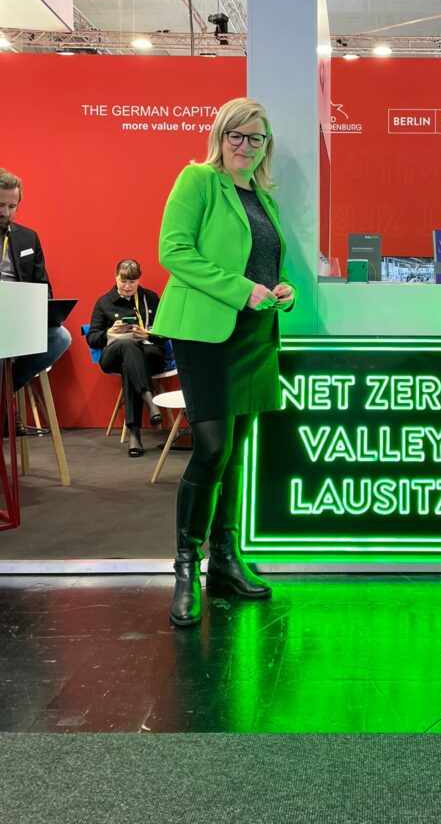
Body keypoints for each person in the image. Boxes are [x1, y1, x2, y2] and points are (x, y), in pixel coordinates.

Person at [153, 97, 295, 628]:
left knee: (235, 453)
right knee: (211, 448)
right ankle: (186, 568)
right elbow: (174, 251)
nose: (245, 146)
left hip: (256, 334)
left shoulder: (264, 195)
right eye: (236, 135)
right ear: (220, 135)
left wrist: (285, 290)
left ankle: (226, 564)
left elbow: (275, 263)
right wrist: (241, 290)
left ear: (266, 146)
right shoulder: (197, 180)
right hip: (207, 334)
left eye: (255, 138)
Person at [0, 167, 71, 434]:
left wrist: (43, 310)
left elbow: (43, 288)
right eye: (0, 205)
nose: (6, 212)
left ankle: (5, 393)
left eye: (12, 206)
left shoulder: (28, 237)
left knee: (61, 336)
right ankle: (4, 406)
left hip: (18, 320)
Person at [87, 259, 165, 457]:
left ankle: (134, 434)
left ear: (139, 280)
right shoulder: (104, 302)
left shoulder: (151, 298)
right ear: (115, 278)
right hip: (113, 353)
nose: (128, 286)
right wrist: (109, 333)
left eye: (133, 281)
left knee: (128, 365)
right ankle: (150, 400)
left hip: (149, 353)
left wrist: (147, 334)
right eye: (123, 281)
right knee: (127, 346)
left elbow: (167, 332)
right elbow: (92, 338)